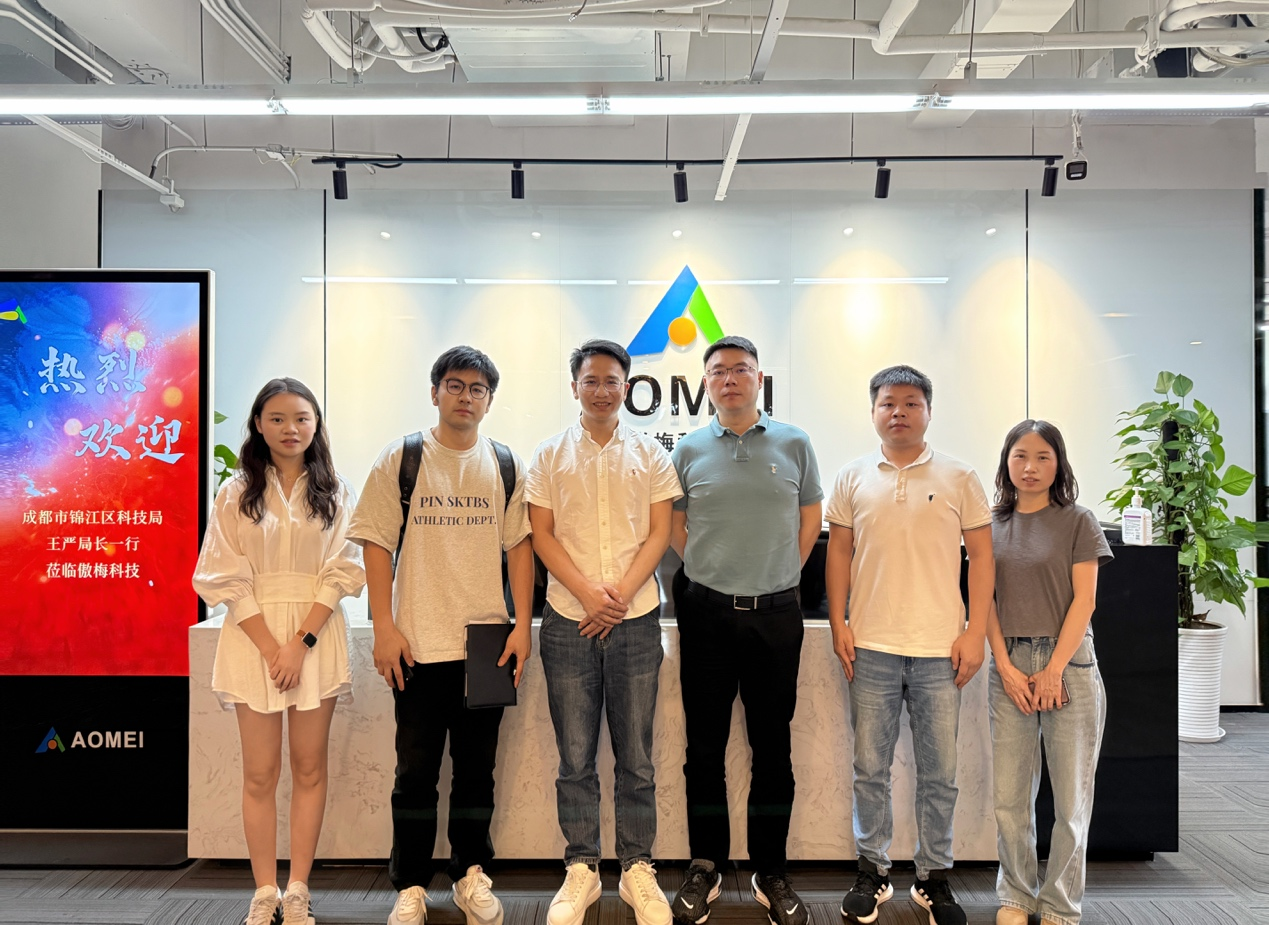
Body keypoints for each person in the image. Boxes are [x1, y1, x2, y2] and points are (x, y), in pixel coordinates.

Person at [346, 346, 534, 925]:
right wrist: (383, 626)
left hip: (487, 644)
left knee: (478, 772)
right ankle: (411, 885)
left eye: (477, 389)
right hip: (417, 642)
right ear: (435, 393)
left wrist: (522, 627)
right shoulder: (402, 457)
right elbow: (376, 543)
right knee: (415, 773)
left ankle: (471, 873)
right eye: (455, 385)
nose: (465, 397)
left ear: (489, 401)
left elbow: (519, 548)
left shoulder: (504, 463)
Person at [825, 365, 994, 925]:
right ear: (873, 411)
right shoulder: (852, 476)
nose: (899, 412)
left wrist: (974, 631)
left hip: (940, 650)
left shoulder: (960, 476)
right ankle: (871, 871)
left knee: (939, 772)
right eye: (888, 403)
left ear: (928, 411)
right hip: (870, 646)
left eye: (911, 403)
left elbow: (982, 558)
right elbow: (839, 552)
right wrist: (839, 621)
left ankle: (932, 877)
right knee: (869, 768)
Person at [193, 377, 366, 925]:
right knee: (259, 773)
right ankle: (264, 890)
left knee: (310, 769)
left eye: (301, 418)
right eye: (277, 418)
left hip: (316, 635)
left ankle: (298, 890)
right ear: (258, 425)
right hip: (253, 639)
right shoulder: (235, 492)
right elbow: (222, 575)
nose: (291, 429)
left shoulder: (337, 490)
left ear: (316, 425)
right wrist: (274, 649)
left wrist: (300, 643)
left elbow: (344, 570)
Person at [526, 339, 683, 925]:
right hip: (567, 621)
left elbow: (660, 533)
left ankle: (637, 867)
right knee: (575, 756)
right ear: (574, 387)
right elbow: (542, 535)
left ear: (628, 387)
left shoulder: (651, 453)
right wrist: (590, 596)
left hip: (636, 621)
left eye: (611, 381)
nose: (600, 390)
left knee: (636, 756)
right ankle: (583, 867)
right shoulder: (548, 454)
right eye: (590, 380)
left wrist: (614, 600)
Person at [668, 335, 823, 925]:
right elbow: (675, 526)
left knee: (772, 747)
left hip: (776, 615)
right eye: (718, 371)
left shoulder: (795, 442)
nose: (729, 379)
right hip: (705, 613)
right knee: (703, 749)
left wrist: (780, 573)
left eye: (741, 369)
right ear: (705, 383)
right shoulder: (687, 448)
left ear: (760, 378)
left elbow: (809, 518)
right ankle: (705, 865)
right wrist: (707, 568)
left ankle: (770, 870)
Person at [987, 420, 1112, 925]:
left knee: (1070, 798)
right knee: (1010, 797)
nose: (1030, 467)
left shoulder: (1078, 521)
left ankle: (1060, 902)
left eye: (1043, 457)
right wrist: (1005, 667)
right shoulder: (989, 524)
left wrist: (1054, 669)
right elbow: (982, 602)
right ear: (1006, 462)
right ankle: (1016, 897)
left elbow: (1086, 600)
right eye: (1020, 456)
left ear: (1058, 464)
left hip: (1070, 663)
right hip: (1009, 663)